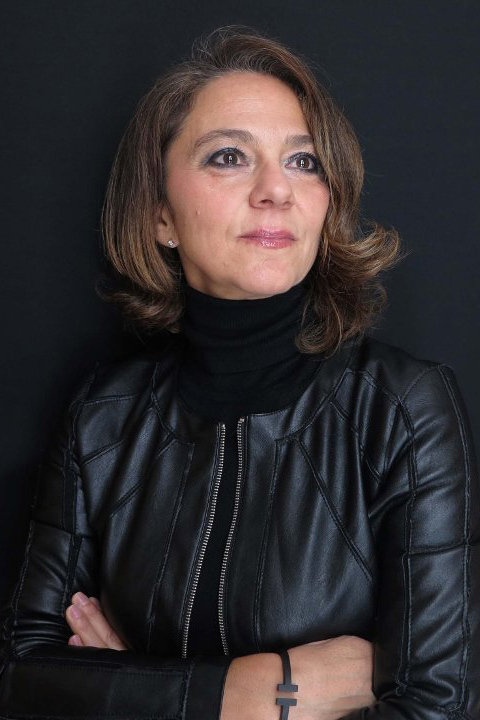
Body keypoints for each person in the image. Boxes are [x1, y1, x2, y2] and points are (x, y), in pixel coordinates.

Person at [1, 24, 479, 720]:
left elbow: (436, 707)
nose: (276, 190)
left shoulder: (402, 409)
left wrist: (131, 688)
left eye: (304, 162)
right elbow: (21, 678)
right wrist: (260, 694)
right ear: (160, 215)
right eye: (228, 156)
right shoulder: (101, 418)